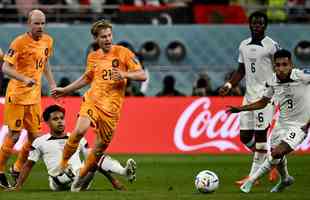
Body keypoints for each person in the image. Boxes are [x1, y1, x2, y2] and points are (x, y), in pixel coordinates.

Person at [51, 19, 147, 192]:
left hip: (111, 111)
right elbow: (87, 78)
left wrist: (125, 74)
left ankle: (79, 181)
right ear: (97, 39)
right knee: (80, 130)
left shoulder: (123, 52)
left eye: (109, 35)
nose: (108, 39)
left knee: (96, 152)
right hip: (92, 101)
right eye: (103, 37)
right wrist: (66, 90)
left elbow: (142, 75)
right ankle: (63, 163)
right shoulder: (93, 56)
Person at [227, 49, 310, 193]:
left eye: (285, 64)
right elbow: (263, 102)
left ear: (291, 65)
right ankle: (285, 179)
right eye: (277, 65)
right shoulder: (272, 80)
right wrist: (241, 109)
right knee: (276, 154)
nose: (281, 68)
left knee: (277, 153)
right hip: (281, 124)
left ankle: (251, 181)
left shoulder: (303, 76)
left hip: (299, 125)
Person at [9, 104, 136, 191]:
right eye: (55, 119)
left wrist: (113, 181)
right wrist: (18, 186)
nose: (60, 121)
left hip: (82, 178)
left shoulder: (76, 138)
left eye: (61, 118)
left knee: (94, 155)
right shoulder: (39, 141)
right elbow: (28, 165)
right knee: (62, 171)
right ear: (47, 122)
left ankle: (122, 171)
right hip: (57, 181)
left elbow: (94, 162)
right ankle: (70, 175)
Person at [218, 11, 280, 185]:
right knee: (245, 136)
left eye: (260, 23)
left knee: (261, 136)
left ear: (265, 25)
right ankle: (270, 162)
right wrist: (229, 85)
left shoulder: (272, 46)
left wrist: (278, 90)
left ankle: (253, 177)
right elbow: (241, 70)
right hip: (249, 96)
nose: (256, 25)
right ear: (250, 24)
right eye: (254, 23)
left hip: (266, 97)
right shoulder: (243, 45)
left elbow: (281, 69)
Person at [0, 9, 56, 189]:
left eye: (42, 23)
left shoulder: (48, 40)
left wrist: (53, 84)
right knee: (14, 136)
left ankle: (16, 168)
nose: (40, 26)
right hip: (16, 95)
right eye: (36, 23)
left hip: (34, 97)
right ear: (29, 24)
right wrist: (24, 79)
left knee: (35, 137)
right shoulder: (19, 42)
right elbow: (5, 68)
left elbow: (45, 62)